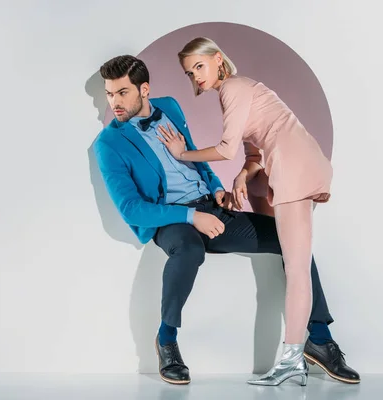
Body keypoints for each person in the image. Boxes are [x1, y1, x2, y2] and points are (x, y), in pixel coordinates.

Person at [93, 54, 360, 386]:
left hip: (210, 206)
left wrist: (218, 190)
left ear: (144, 90)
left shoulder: (171, 108)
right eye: (109, 94)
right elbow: (132, 208)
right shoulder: (108, 143)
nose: (114, 103)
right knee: (190, 250)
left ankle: (319, 338)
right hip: (171, 219)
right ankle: (166, 340)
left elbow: (198, 161)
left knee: (290, 242)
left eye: (122, 93)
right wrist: (192, 217)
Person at [154, 36, 336, 386]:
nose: (196, 76)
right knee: (289, 254)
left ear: (218, 59)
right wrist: (242, 173)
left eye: (200, 66)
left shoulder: (233, 88)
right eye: (190, 72)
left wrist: (181, 154)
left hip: (293, 166)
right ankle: (304, 350)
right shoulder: (240, 90)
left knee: (297, 267)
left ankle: (296, 356)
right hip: (291, 161)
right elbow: (254, 153)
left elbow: (226, 149)